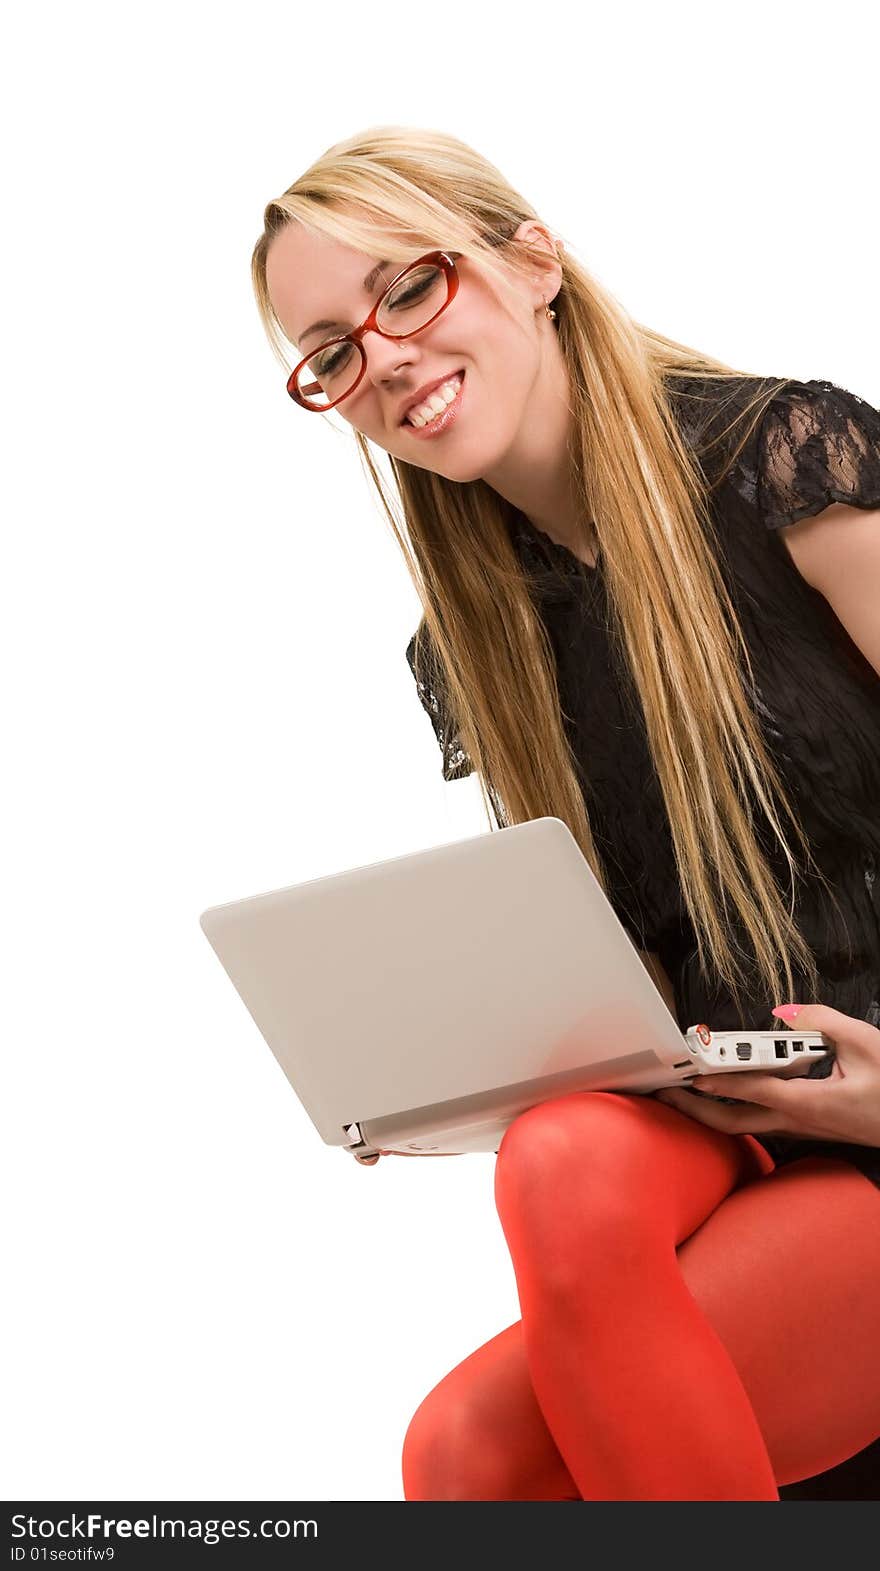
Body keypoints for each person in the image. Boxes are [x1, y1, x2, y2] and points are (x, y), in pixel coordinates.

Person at [251, 124, 880, 1501]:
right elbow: (629, 982)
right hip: (732, 1110)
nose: (386, 356)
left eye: (409, 289)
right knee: (550, 1173)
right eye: (333, 349)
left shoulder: (791, 461)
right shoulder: (471, 649)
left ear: (533, 261)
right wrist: (440, 1083)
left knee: (480, 1461)